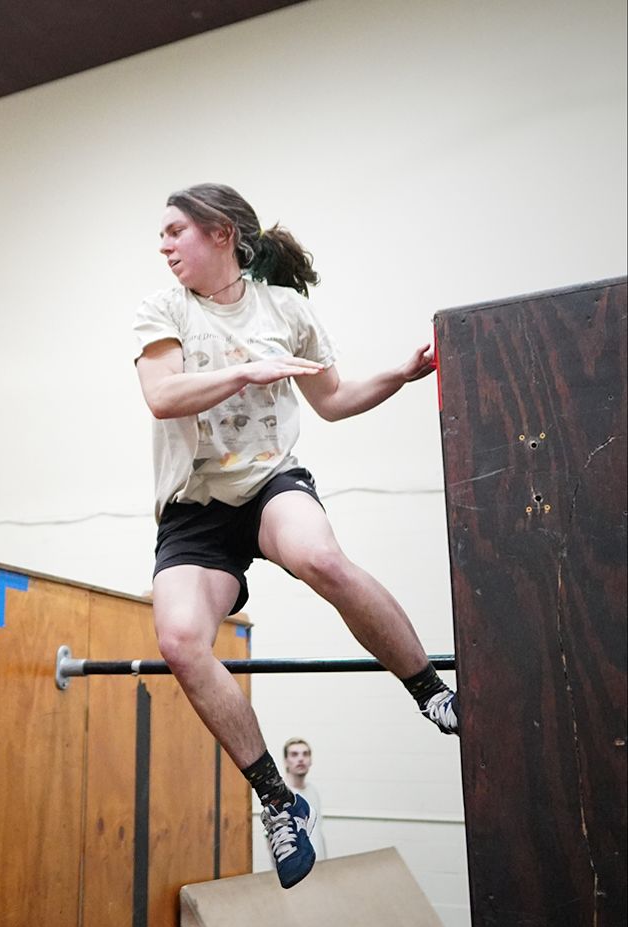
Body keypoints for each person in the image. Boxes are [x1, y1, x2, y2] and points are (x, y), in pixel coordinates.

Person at [132, 183, 459, 890]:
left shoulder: (287, 310)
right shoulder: (163, 311)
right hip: (195, 507)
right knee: (180, 642)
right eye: (160, 235)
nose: (162, 245)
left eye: (174, 231)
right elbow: (161, 396)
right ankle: (280, 802)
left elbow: (333, 401)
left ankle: (431, 691)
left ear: (221, 233)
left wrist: (401, 375)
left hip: (270, 484)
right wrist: (245, 369)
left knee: (318, 556)